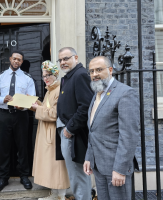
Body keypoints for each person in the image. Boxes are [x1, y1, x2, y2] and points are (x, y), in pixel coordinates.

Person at [83, 56, 139, 199]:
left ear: (110, 70)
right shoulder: (97, 93)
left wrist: (120, 169)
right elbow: (93, 130)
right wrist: (89, 157)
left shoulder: (125, 93)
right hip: (99, 166)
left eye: (99, 70)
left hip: (115, 167)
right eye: (91, 71)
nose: (94, 74)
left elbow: (129, 136)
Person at [0, 50, 36, 191]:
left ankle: (24, 176)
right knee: (3, 147)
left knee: (23, 146)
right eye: (14, 58)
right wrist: (2, 99)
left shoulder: (27, 78)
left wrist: (23, 104)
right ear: (10, 59)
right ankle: (3, 177)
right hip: (4, 115)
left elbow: (32, 98)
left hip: (21, 116)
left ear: (22, 62)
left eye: (19, 60)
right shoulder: (0, 77)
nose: (16, 61)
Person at [56, 47, 94, 200]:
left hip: (73, 134)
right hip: (67, 131)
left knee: (78, 175)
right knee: (75, 176)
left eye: (66, 58)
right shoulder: (69, 76)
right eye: (60, 60)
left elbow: (86, 106)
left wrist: (69, 129)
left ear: (76, 57)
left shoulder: (80, 75)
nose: (63, 62)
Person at [31, 61, 70, 200]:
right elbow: (48, 108)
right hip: (47, 132)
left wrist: (38, 109)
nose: (45, 78)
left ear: (55, 75)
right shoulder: (50, 90)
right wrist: (37, 105)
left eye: (48, 75)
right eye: (43, 76)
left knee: (57, 165)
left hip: (54, 133)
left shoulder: (59, 90)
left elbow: (56, 113)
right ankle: (54, 194)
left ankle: (60, 195)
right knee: (51, 165)